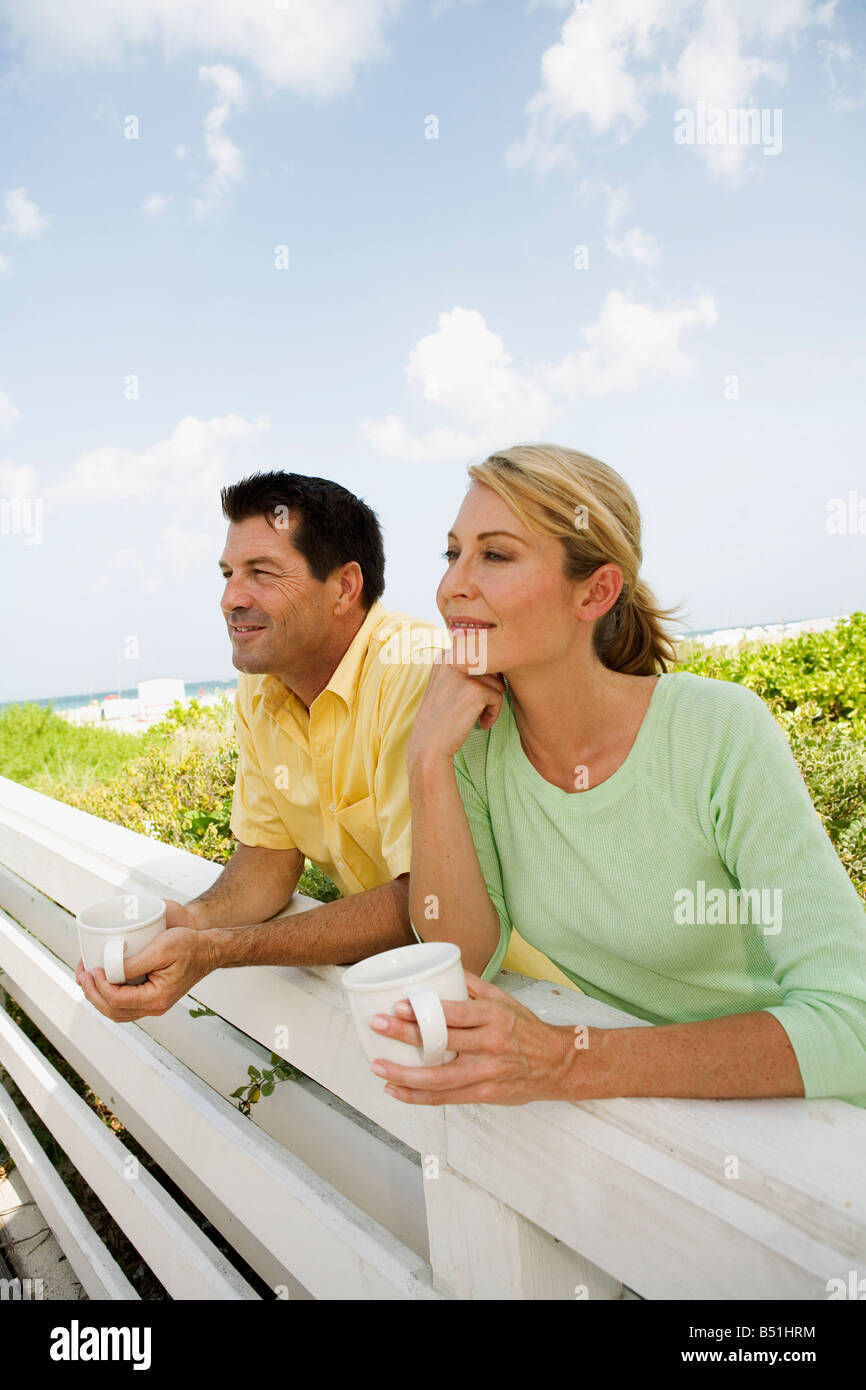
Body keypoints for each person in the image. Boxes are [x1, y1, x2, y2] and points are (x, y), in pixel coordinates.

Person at [367, 443, 866, 1109]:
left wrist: (565, 1062)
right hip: (665, 1126)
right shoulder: (475, 748)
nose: (453, 585)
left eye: (496, 554)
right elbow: (462, 959)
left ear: (596, 591)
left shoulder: (716, 732)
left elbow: (851, 1027)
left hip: (817, 1134)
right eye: (452, 552)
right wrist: (426, 762)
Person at [76, 470, 568, 1024]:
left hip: (540, 993)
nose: (230, 598)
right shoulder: (264, 685)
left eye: (261, 573)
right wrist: (195, 920)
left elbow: (422, 903)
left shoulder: (417, 672)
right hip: (421, 998)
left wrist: (219, 950)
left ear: (344, 587)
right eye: (228, 573)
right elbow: (269, 858)